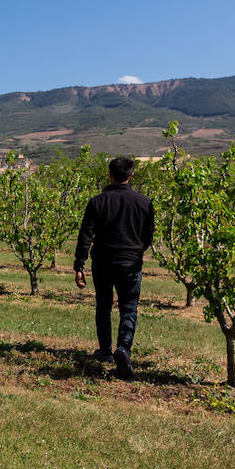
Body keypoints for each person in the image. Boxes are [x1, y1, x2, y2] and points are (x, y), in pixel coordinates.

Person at [73, 156, 155, 379]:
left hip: (103, 261)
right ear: (132, 175)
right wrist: (136, 251)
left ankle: (105, 350)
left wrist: (79, 265)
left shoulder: (97, 202)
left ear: (109, 175)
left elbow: (86, 235)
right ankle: (124, 348)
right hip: (130, 262)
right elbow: (148, 235)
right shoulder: (144, 203)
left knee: (104, 305)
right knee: (129, 307)